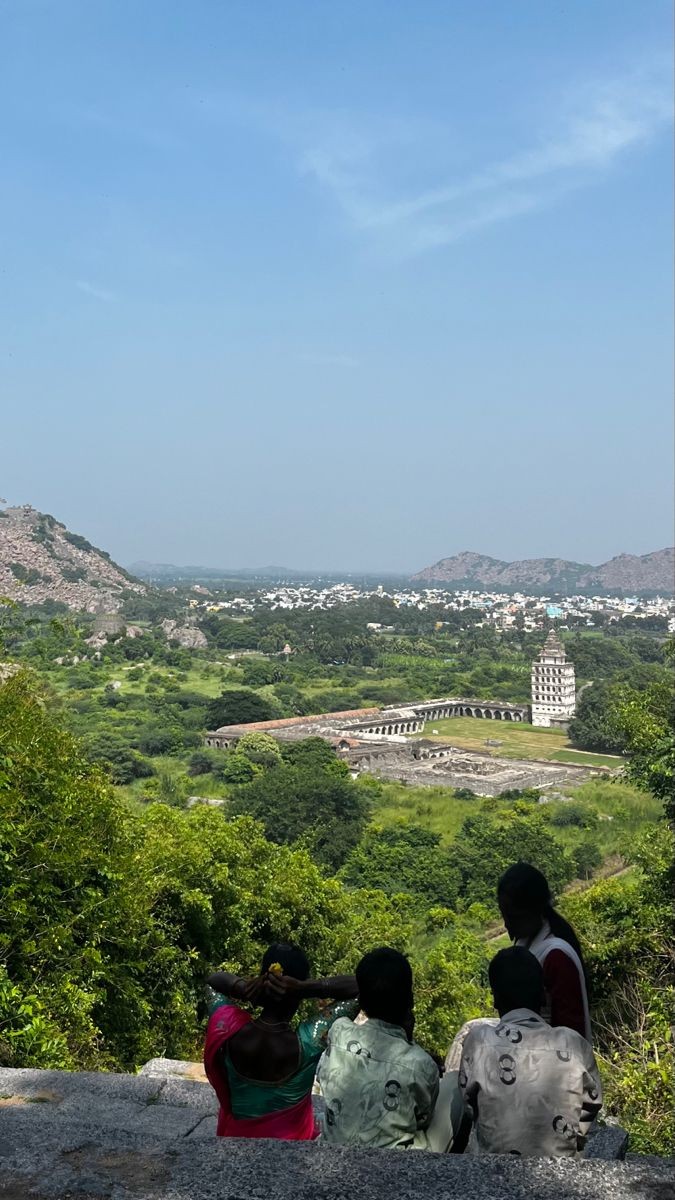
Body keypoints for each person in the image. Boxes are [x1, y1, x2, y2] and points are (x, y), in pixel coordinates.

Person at [318, 947, 469, 1152]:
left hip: (334, 1152)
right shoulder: (422, 1063)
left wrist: (302, 987)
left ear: (361, 1000)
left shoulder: (339, 1031)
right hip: (394, 1165)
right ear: (411, 1000)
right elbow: (423, 1118)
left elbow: (353, 990)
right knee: (453, 1083)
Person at [204, 943, 358, 1139]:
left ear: (260, 980)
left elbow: (212, 981)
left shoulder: (229, 1028)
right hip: (293, 1155)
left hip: (233, 1144)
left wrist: (243, 988)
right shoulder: (309, 1042)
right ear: (297, 993)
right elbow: (361, 988)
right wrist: (307, 988)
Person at [459, 947, 602, 1157]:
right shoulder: (574, 1044)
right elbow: (590, 1106)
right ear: (543, 996)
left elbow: (468, 1107)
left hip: (490, 1175)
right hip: (562, 1175)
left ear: (496, 999)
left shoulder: (479, 1040)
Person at [497, 862, 591, 1041]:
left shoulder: (556, 956)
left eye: (513, 916)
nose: (507, 924)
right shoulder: (527, 945)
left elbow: (571, 1033)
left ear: (534, 910)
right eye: (504, 914)